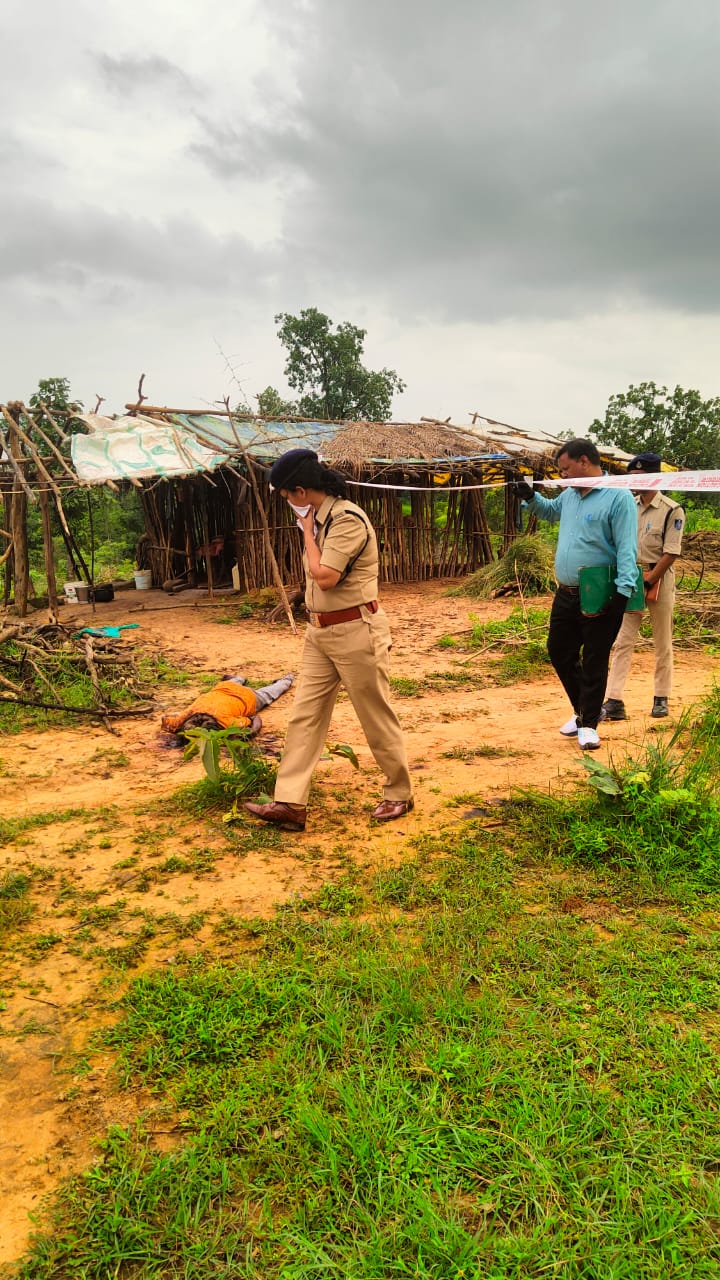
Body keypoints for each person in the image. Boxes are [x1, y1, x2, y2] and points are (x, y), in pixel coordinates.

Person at [245, 447, 413, 832]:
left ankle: (399, 793)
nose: (287, 502)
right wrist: (310, 528)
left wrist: (306, 532)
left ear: (301, 492)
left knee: (375, 715)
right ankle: (290, 802)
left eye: (286, 495)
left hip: (356, 631)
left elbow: (325, 577)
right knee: (304, 716)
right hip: (319, 632)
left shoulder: (346, 520)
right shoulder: (321, 520)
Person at [514, 438, 638, 750]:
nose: (563, 475)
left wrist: (623, 592)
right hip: (566, 591)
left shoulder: (618, 497)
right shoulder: (570, 495)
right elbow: (550, 512)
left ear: (584, 461)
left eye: (566, 469)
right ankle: (583, 710)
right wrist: (530, 496)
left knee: (595, 657)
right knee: (559, 650)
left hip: (599, 592)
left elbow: (627, 547)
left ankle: (589, 724)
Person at [601, 452, 685, 721]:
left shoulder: (672, 509)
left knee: (662, 641)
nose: (634, 481)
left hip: (658, 577)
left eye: (639, 476)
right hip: (631, 577)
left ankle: (661, 697)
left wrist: (650, 579)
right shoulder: (628, 505)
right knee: (623, 640)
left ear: (654, 476)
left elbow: (671, 552)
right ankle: (614, 700)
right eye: (631, 477)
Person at [161, 673, 294, 739]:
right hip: (225, 687)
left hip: (248, 698)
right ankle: (239, 678)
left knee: (269, 693)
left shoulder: (227, 722)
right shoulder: (186, 714)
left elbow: (255, 718)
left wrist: (252, 732)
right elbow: (164, 719)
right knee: (234, 682)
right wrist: (179, 717)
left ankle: (287, 680)